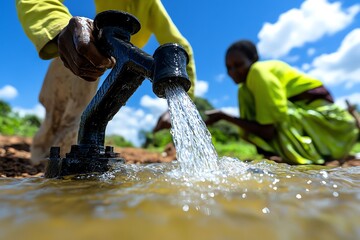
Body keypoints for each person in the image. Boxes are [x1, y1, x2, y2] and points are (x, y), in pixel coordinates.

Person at [16, 0, 197, 164]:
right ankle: (45, 146)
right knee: (77, 52)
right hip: (89, 48)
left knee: (83, 119)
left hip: (124, 59)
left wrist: (181, 98)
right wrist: (61, 27)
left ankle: (67, 146)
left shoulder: (150, 3)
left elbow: (177, 44)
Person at [205, 40, 358, 165]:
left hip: (331, 122)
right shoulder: (245, 89)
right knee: (243, 92)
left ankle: (308, 153)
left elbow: (268, 129)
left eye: (238, 65)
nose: (233, 72)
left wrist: (224, 117)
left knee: (281, 115)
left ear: (253, 60)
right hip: (313, 119)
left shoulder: (258, 72)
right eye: (229, 68)